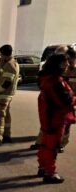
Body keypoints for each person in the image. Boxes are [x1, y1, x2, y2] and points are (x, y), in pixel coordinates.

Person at [36, 54, 76, 183]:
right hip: (56, 118)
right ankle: (50, 173)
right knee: (52, 146)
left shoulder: (46, 78)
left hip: (48, 117)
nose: (67, 66)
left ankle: (42, 166)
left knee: (45, 143)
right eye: (64, 63)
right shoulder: (55, 81)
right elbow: (65, 101)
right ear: (57, 65)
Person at [0, 44, 20, 146]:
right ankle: (6, 135)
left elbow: (7, 82)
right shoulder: (11, 62)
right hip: (7, 94)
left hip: (4, 95)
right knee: (6, 116)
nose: (0, 56)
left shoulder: (10, 65)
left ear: (5, 54)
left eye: (1, 54)